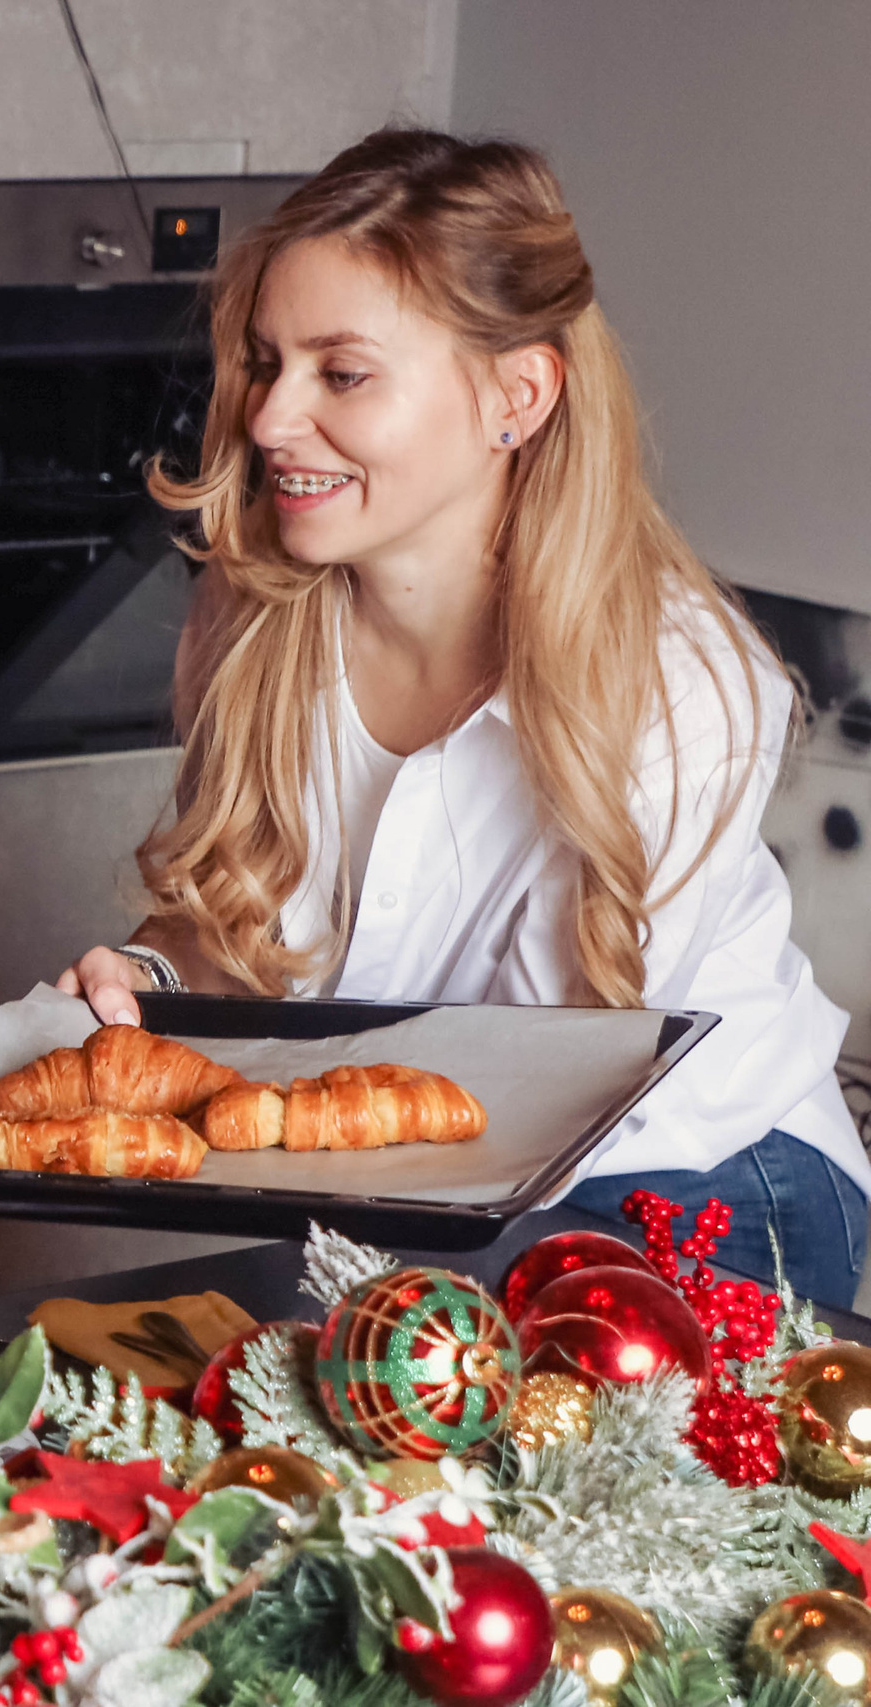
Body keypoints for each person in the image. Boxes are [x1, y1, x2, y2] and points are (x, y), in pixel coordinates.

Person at [55, 130, 866, 1305]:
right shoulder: (250, 613)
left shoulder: (680, 681)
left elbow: (532, 1094)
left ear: (515, 395)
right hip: (415, 1186)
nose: (271, 420)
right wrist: (140, 978)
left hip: (701, 1190)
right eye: (265, 362)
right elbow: (233, 925)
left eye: (340, 374)